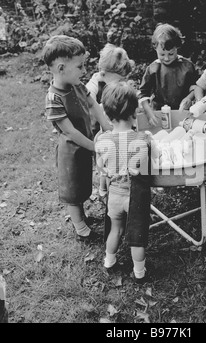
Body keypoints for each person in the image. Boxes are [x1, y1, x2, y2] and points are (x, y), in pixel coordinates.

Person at [42, 35, 111, 244]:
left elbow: (94, 106)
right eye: (80, 67)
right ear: (61, 68)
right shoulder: (54, 99)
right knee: (72, 189)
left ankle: (82, 217)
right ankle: (80, 227)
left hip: (86, 144)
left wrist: (108, 127)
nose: (84, 71)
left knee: (82, 182)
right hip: (70, 152)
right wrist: (94, 146)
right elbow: (70, 131)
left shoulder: (78, 85)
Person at [95, 81, 158, 283]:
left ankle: (109, 261)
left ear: (106, 114)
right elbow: (156, 159)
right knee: (137, 237)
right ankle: (140, 273)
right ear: (135, 112)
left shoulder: (102, 140)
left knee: (116, 229)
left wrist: (102, 189)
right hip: (135, 196)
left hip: (114, 194)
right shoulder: (144, 138)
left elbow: (102, 170)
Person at [139, 23, 198, 126]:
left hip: (182, 114)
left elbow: (196, 87)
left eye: (171, 54)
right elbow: (143, 93)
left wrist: (189, 98)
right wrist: (148, 111)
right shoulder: (153, 69)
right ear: (155, 48)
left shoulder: (187, 66)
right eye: (162, 54)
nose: (166, 58)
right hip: (159, 114)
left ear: (177, 47)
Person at [86, 43, 135, 136]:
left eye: (124, 79)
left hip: (118, 129)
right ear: (103, 73)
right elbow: (88, 103)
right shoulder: (94, 85)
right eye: (120, 79)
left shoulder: (117, 83)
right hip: (97, 132)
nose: (121, 82)